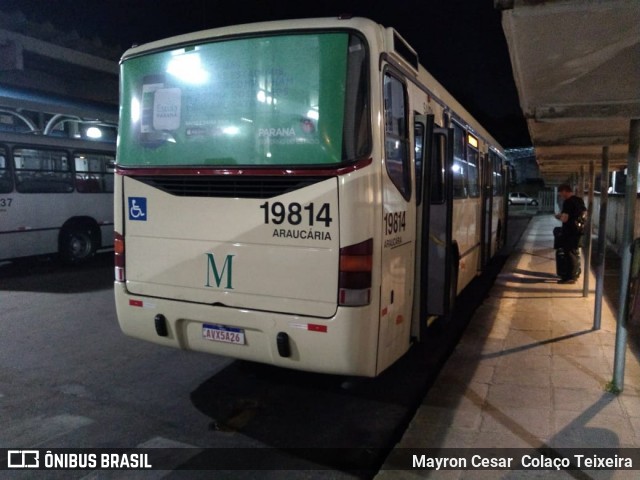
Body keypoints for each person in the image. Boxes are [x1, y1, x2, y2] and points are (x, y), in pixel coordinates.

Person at [554, 184, 587, 284]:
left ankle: (570, 277)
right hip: (578, 231)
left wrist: (557, 216)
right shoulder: (579, 200)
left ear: (565, 191)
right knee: (575, 253)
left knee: (569, 254)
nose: (560, 195)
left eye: (561, 193)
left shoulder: (568, 202)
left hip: (570, 232)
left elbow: (565, 218)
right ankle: (575, 274)